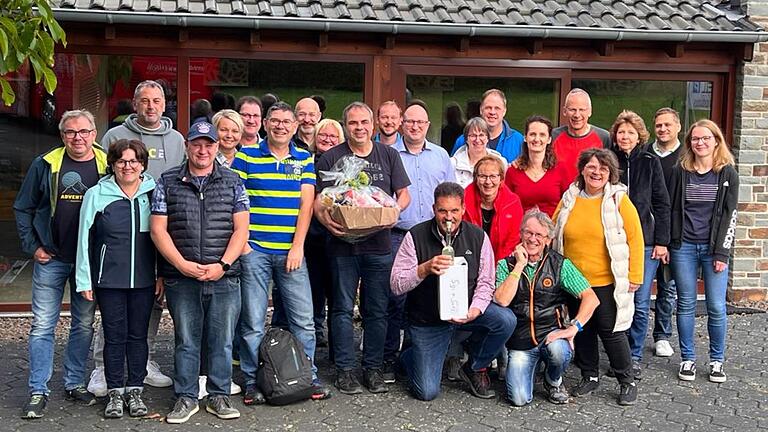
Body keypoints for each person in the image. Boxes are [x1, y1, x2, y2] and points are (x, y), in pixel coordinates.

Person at [230, 102, 331, 404]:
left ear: (295, 126)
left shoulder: (304, 158)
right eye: (275, 121)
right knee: (252, 321)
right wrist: (244, 243)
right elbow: (238, 202)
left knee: (303, 320)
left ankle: (307, 377)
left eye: (287, 122)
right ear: (266, 124)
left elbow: (306, 205)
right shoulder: (245, 156)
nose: (281, 126)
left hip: (291, 252)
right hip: (255, 251)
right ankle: (251, 380)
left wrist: (297, 245)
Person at [150, 121, 249, 424]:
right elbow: (157, 230)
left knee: (221, 340)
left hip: (224, 277)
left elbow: (242, 229)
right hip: (183, 276)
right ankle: (186, 397)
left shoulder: (233, 182)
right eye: (197, 144)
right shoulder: (167, 181)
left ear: (218, 147)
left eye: (209, 144)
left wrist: (222, 266)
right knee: (186, 340)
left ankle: (219, 395)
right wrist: (180, 265)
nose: (203, 150)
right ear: (188, 147)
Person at [91, 79, 182, 396]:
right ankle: (103, 368)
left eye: (156, 100)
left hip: (158, 234)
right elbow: (104, 183)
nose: (151, 106)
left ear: (164, 103)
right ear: (134, 103)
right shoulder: (114, 136)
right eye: (144, 101)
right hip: (119, 229)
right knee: (114, 314)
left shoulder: (177, 140)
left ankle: (145, 363)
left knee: (151, 306)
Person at [15, 110, 107, 419]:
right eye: (70, 132)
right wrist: (32, 247)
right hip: (52, 258)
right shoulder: (45, 164)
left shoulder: (107, 164)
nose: (77, 137)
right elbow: (23, 206)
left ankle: (73, 382)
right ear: (62, 135)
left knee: (83, 325)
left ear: (94, 134)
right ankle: (38, 389)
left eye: (83, 131)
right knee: (42, 325)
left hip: (88, 263)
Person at [314, 102, 411, 395]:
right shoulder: (332, 157)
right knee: (342, 309)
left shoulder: (388, 155)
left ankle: (373, 368)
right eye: (353, 123)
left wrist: (392, 211)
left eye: (364, 122)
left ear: (373, 125)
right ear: (346, 126)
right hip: (341, 245)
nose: (359, 128)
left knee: (377, 310)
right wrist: (327, 223)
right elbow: (319, 200)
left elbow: (403, 195)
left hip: (379, 244)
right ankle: (344, 370)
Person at [391, 182, 516, 401]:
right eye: (442, 210)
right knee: (427, 392)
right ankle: (410, 355)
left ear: (463, 209)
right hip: (429, 321)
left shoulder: (478, 237)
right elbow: (396, 284)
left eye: (454, 211)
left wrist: (475, 310)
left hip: (466, 313)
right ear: (434, 209)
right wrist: (424, 269)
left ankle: (474, 366)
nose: (448, 217)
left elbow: (486, 282)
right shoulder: (415, 235)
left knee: (505, 320)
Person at [551, 148, 643, 406]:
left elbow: (635, 238)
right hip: (573, 282)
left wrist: (635, 274)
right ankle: (589, 376)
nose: (597, 172)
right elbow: (554, 227)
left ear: (610, 174)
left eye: (603, 168)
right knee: (583, 330)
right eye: (591, 167)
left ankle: (627, 381)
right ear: (582, 169)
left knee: (611, 331)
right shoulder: (570, 197)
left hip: (605, 281)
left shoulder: (618, 200)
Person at [75, 139, 157, 419]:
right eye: (121, 161)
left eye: (134, 161)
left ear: (143, 164)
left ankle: (134, 389)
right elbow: (84, 240)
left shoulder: (153, 191)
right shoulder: (97, 194)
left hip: (145, 280)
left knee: (138, 336)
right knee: (114, 336)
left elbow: (161, 237)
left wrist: (160, 275)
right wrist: (84, 279)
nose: (128, 166)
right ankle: (114, 392)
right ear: (112, 164)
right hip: (108, 280)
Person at [495, 209, 599, 406]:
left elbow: (591, 298)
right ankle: (532, 369)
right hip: (520, 342)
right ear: (521, 234)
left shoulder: (560, 264)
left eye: (539, 235)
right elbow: (502, 300)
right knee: (519, 399)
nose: (532, 239)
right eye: (528, 233)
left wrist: (573, 328)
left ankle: (553, 381)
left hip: (551, 335)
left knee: (559, 351)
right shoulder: (505, 265)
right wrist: (519, 266)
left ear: (549, 239)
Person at [384, 101, 456, 382]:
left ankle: (415, 354)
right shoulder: (388, 155)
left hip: (432, 236)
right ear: (402, 124)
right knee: (394, 297)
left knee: (427, 297)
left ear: (428, 126)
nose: (415, 126)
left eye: (421, 122)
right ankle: (389, 357)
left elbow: (452, 195)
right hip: (396, 235)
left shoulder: (441, 156)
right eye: (410, 121)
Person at [668, 120, 738, 383]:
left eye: (705, 138)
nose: (700, 143)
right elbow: (673, 208)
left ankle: (716, 361)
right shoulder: (680, 172)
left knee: (717, 307)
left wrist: (722, 253)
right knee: (685, 303)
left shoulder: (727, 174)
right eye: (695, 139)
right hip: (684, 246)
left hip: (713, 250)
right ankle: (687, 359)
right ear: (690, 144)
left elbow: (731, 216)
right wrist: (670, 241)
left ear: (716, 141)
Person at [610, 110, 671, 379]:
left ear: (639, 136)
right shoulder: (608, 160)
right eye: (621, 132)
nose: (625, 136)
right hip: (614, 239)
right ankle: (617, 355)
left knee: (640, 299)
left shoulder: (650, 161)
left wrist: (662, 241)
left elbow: (662, 202)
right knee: (615, 298)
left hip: (645, 242)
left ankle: (633, 355)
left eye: (630, 133)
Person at [305, 119, 345, 350]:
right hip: (313, 237)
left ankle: (335, 341)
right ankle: (316, 331)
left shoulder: (345, 166)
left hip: (338, 237)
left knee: (336, 290)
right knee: (314, 288)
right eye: (323, 135)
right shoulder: (308, 162)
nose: (327, 140)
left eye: (333, 136)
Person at [649, 107, 683, 358]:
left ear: (678, 127)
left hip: (674, 230)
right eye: (659, 125)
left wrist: (670, 239)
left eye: (667, 125)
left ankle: (662, 335)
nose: (662, 129)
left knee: (667, 286)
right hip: (647, 230)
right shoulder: (646, 154)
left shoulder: (685, 156)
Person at [505, 115, 570, 217]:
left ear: (549, 139)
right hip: (522, 230)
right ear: (525, 138)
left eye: (542, 135)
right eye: (532, 134)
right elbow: (506, 206)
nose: (537, 139)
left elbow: (568, 203)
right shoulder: (513, 172)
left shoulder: (560, 170)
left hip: (552, 230)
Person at [463, 155, 522, 261]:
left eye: (493, 176)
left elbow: (513, 240)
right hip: (470, 259)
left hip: (503, 262)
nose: (488, 182)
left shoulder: (513, 202)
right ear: (475, 178)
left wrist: (498, 267)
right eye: (483, 176)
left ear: (501, 179)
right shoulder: (463, 201)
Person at [551, 88, 611, 182]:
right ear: (564, 111)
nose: (577, 115)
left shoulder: (604, 137)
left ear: (590, 111)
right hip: (559, 195)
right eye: (572, 110)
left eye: (582, 110)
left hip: (591, 195)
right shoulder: (552, 136)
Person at [451, 89, 524, 164]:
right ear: (481, 110)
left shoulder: (518, 140)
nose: (492, 112)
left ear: (504, 111)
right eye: (488, 108)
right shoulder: (463, 140)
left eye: (497, 108)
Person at [451, 117, 506, 188]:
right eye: (473, 135)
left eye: (481, 135)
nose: (477, 140)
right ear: (466, 139)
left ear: (487, 138)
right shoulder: (453, 164)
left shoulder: (500, 162)